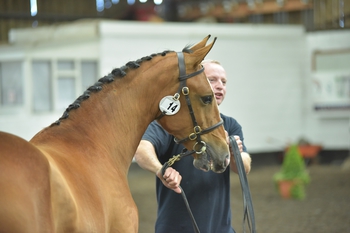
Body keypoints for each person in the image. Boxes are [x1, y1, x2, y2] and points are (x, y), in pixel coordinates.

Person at [134, 59, 252, 233]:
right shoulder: (171, 123)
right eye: (212, 80)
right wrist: (161, 170)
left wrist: (234, 152)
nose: (220, 86)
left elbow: (244, 166)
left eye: (224, 82)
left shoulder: (230, 125)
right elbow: (141, 150)